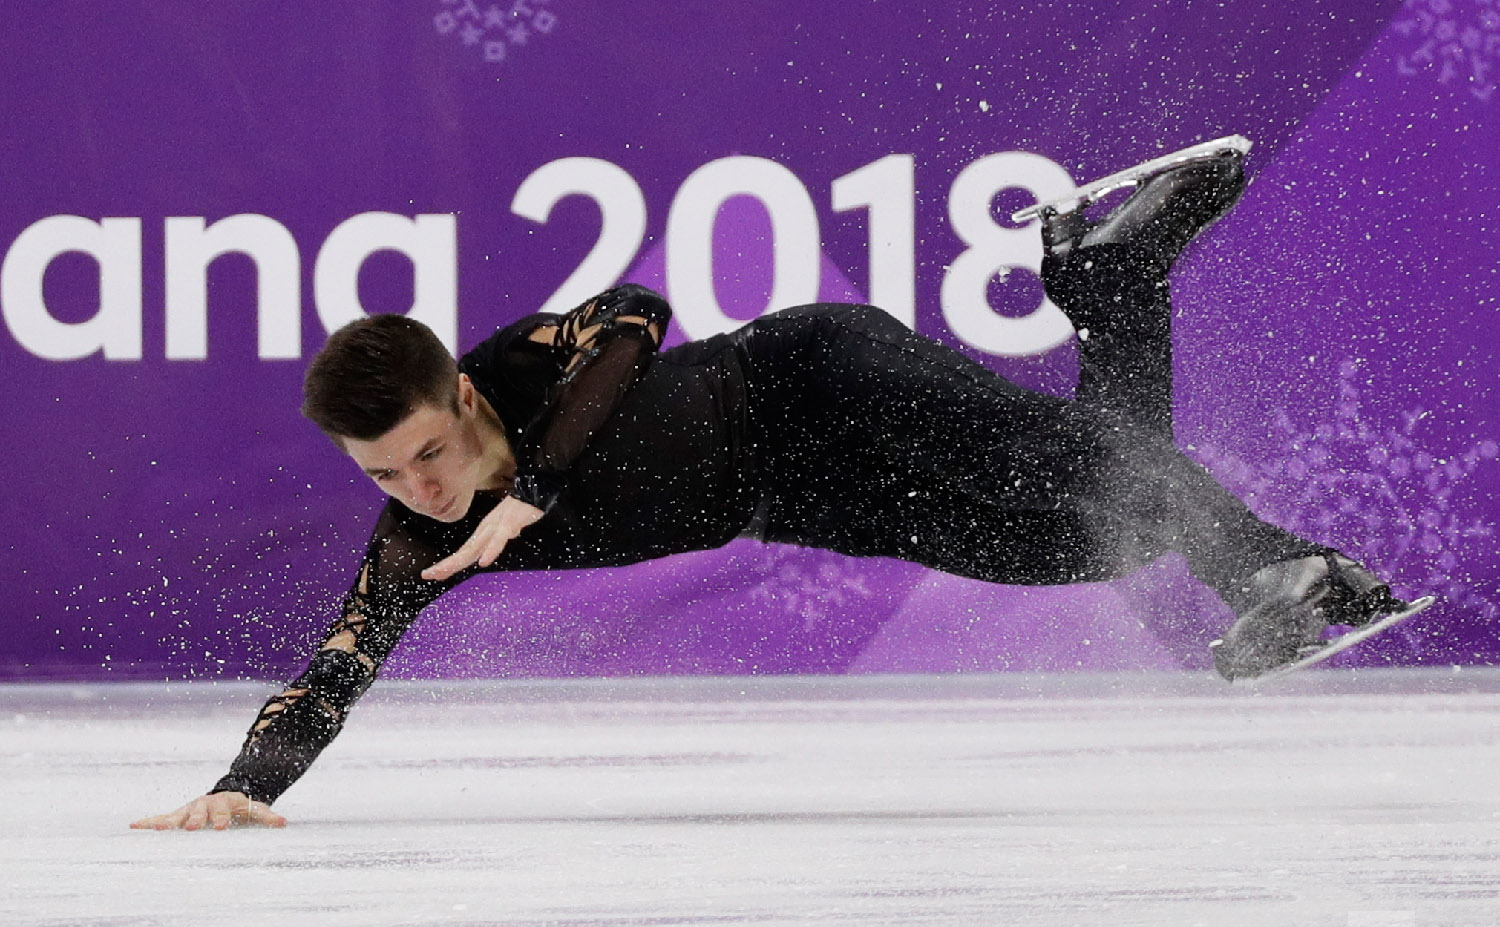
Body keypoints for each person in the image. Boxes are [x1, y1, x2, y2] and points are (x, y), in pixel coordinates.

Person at [130, 139, 1415, 831]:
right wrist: (251, 778)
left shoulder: (520, 366)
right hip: (825, 501)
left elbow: (637, 311)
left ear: (461, 396)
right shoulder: (414, 544)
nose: (420, 487)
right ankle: (1113, 282)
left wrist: (541, 488)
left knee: (1081, 467)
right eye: (385, 475)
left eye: (429, 452)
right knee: (1094, 539)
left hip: (818, 376)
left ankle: (1278, 565)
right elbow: (338, 662)